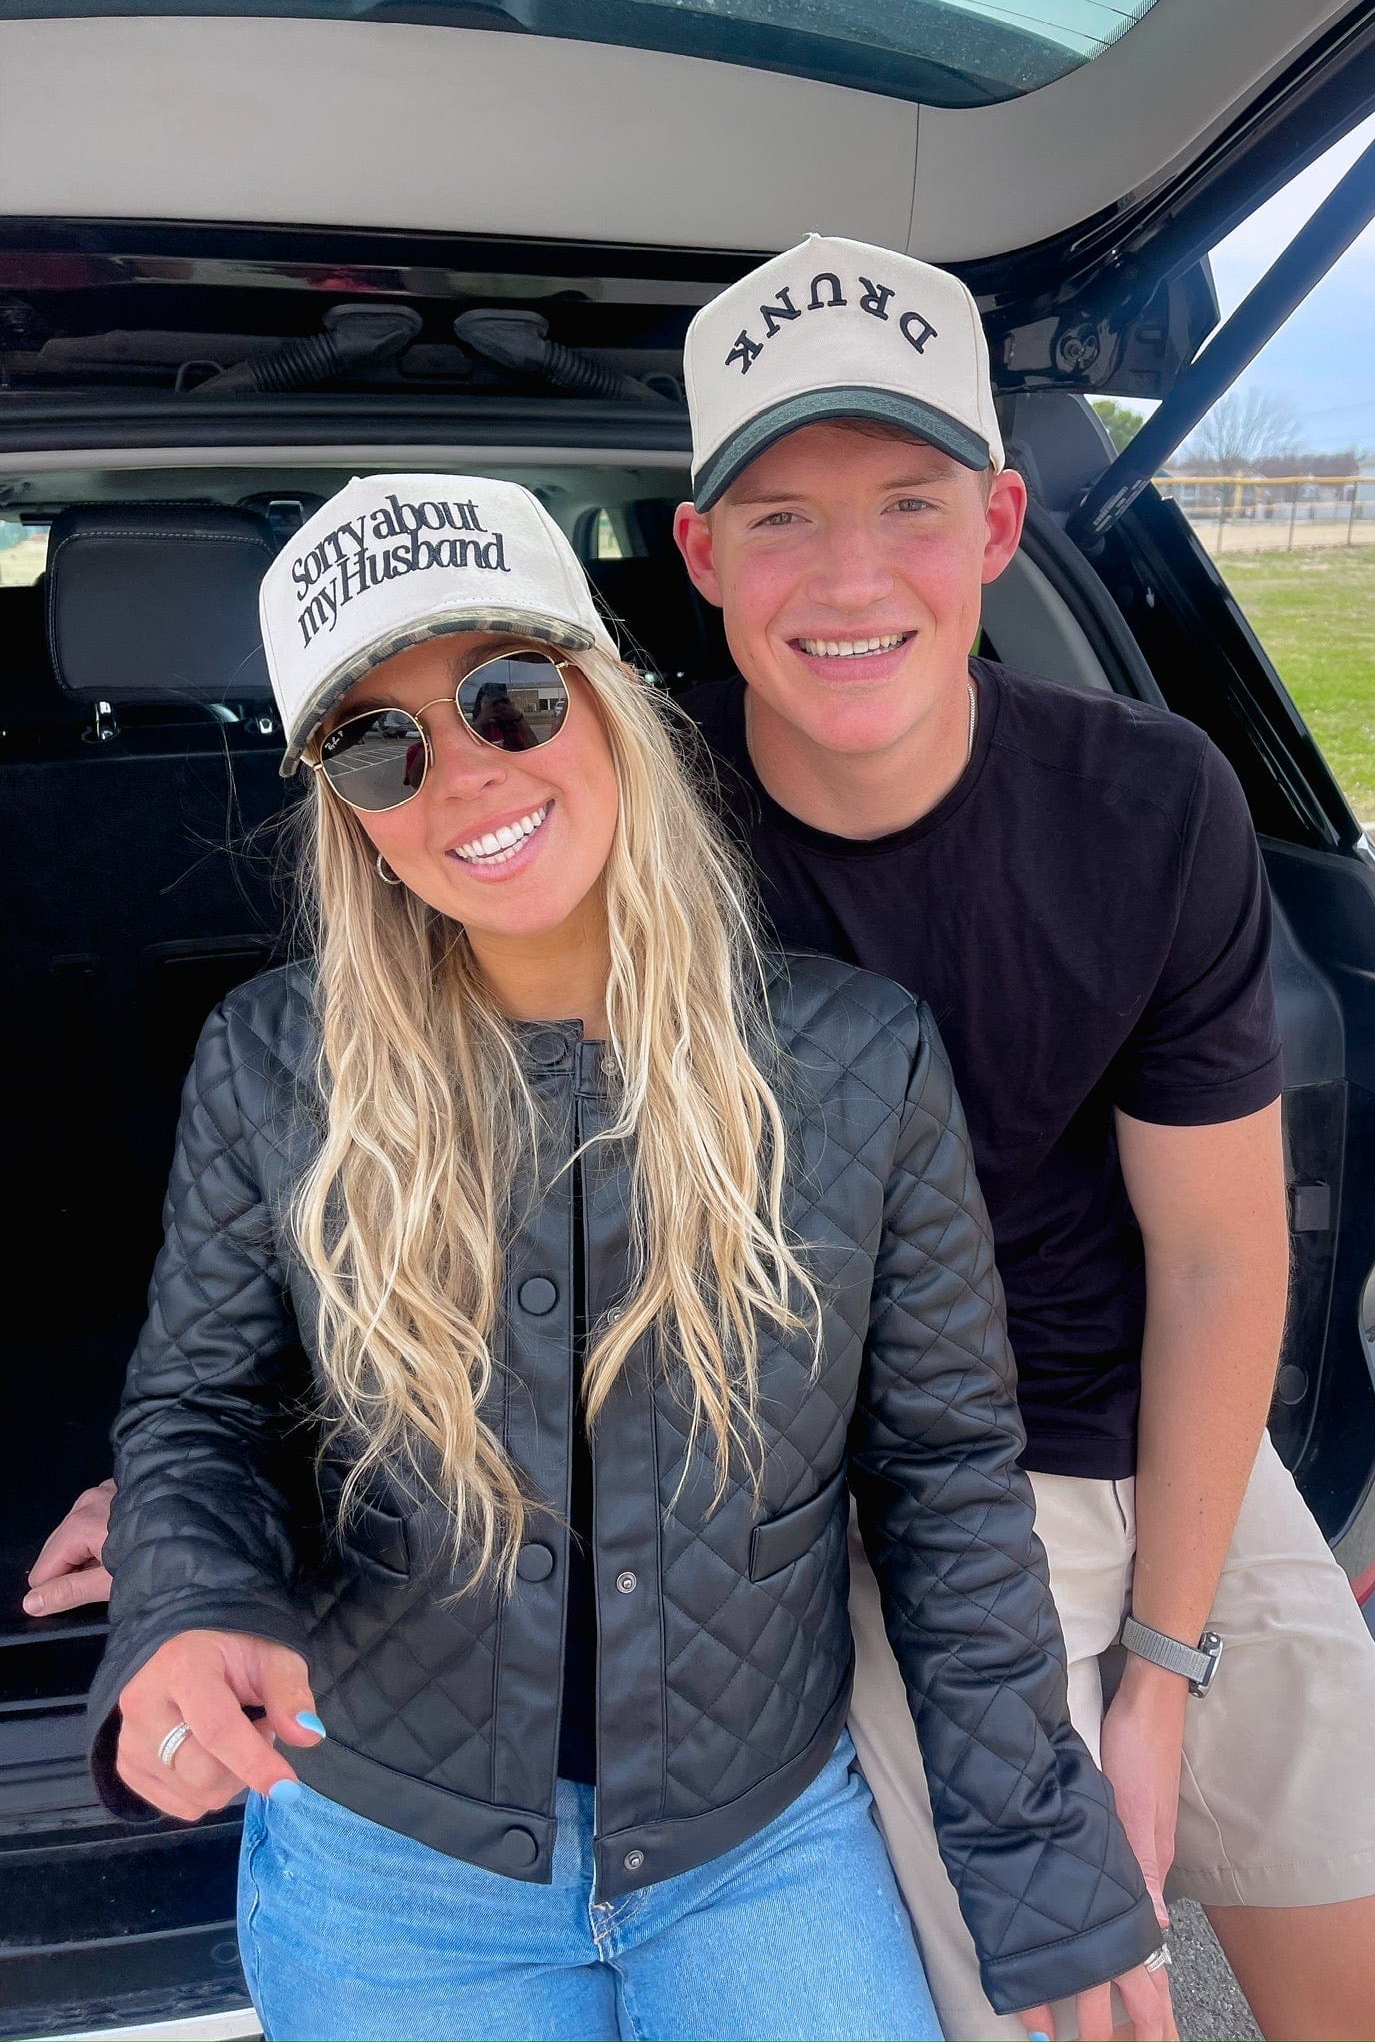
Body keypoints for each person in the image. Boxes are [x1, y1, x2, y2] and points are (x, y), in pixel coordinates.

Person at [58, 474, 1170, 2042]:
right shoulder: (273, 1062)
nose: (462, 775)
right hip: (391, 1855)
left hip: (758, 1845)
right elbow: (197, 1411)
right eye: (377, 744)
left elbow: (947, 1484)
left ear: (610, 697)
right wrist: (184, 1604)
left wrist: (1041, 1861)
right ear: (348, 812)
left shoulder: (860, 1060)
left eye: (508, 695)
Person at [664, 235, 1375, 2042]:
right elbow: (438, 1164)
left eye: (911, 503)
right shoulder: (643, 841)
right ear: (701, 555)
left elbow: (1218, 1255)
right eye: (782, 518)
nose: (850, 575)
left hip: (1169, 1443)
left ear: (1002, 524)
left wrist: (1160, 1679)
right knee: (1083, 2014)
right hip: (900, 1505)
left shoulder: (1150, 799)